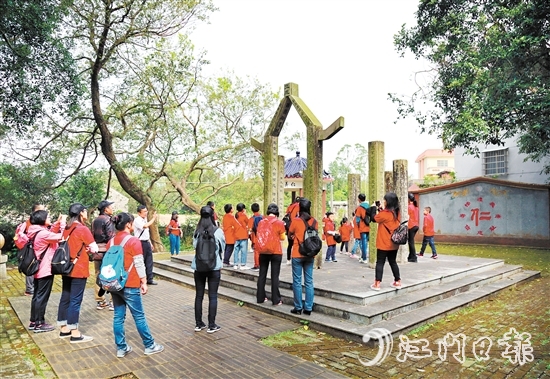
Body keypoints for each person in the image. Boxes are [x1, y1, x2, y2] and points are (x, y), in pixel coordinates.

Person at [108, 212, 164, 358]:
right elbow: (139, 263)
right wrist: (144, 281)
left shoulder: (112, 241)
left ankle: (121, 348)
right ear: (128, 224)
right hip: (130, 283)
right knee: (139, 316)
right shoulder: (133, 241)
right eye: (131, 222)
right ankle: (149, 345)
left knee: (118, 317)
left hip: (115, 283)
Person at [57, 203, 98, 343]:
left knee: (65, 297)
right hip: (79, 268)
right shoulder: (83, 229)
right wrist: (88, 248)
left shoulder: (67, 228)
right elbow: (94, 248)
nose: (87, 213)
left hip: (66, 268)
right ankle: (75, 333)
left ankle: (64, 328)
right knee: (75, 300)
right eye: (86, 211)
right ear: (81, 213)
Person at [28, 210, 66, 332]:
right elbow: (62, 237)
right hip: (45, 269)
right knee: (42, 297)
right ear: (42, 219)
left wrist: (57, 223)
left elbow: (50, 232)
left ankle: (33, 321)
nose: (49, 218)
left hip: (38, 269)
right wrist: (63, 223)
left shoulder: (36, 230)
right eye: (48, 217)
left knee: (37, 295)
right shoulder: (42, 234)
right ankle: (39, 324)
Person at [192, 206, 225, 333]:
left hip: (199, 267)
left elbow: (195, 246)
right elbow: (222, 246)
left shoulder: (197, 231)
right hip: (214, 267)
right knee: (213, 296)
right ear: (212, 215)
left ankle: (198, 324)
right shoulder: (217, 231)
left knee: (199, 295)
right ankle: (212, 325)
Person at [288, 198, 317, 315]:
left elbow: (290, 233)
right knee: (309, 281)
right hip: (310, 254)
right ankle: (308, 308)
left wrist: (294, 236)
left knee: (297, 281)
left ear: (300, 208)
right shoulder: (315, 222)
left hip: (297, 253)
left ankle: (298, 307)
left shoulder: (296, 221)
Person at [371, 193, 402, 291]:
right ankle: (397, 281)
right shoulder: (396, 213)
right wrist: (380, 209)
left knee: (380, 262)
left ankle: (377, 284)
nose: (383, 201)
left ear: (388, 202)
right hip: (394, 243)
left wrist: (373, 208)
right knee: (393, 262)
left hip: (383, 243)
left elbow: (374, 218)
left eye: (384, 200)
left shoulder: (384, 214)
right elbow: (385, 217)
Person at [256, 203, 286, 305]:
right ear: (276, 212)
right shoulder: (279, 223)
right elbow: (282, 237)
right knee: (274, 276)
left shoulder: (261, 222)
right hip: (276, 252)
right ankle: (276, 299)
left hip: (263, 251)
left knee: (262, 275)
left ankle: (260, 298)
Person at [14, 203, 45, 296]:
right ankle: (29, 289)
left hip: (37, 250)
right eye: (41, 210)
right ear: (35, 211)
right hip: (30, 250)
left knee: (36, 267)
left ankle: (34, 288)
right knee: (30, 266)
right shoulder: (27, 223)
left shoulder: (38, 222)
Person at [91, 200, 115, 310]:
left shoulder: (95, 220)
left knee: (98, 274)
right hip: (107, 250)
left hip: (97, 251)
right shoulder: (108, 220)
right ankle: (112, 301)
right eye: (111, 207)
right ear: (106, 209)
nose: (112, 209)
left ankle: (100, 301)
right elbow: (110, 237)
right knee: (111, 273)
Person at [133, 205, 158, 285]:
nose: (146, 213)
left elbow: (146, 232)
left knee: (149, 261)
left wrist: (150, 242)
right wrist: (153, 218)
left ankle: (149, 279)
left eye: (146, 211)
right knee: (141, 261)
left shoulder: (145, 219)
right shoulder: (137, 220)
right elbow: (145, 226)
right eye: (144, 211)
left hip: (146, 242)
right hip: (140, 243)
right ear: (139, 213)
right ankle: (139, 279)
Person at [354, 194, 370, 264]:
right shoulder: (369, 206)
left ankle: (364, 258)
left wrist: (357, 224)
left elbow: (357, 218)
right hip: (369, 226)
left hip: (362, 227)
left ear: (359, 199)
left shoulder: (360, 208)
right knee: (366, 242)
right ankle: (364, 256)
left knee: (363, 243)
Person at [284, 196, 300, 265]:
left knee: (289, 244)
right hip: (295, 226)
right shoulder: (298, 206)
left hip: (288, 227)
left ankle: (288, 259)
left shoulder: (290, 206)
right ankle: (295, 258)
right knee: (296, 244)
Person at [233, 203, 250, 270]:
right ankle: (243, 264)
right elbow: (248, 222)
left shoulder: (235, 216)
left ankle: (235, 264)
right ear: (243, 209)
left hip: (236, 235)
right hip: (243, 235)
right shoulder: (243, 215)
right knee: (243, 250)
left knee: (236, 250)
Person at [248, 203, 263, 271]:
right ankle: (262, 264)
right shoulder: (263, 217)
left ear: (252, 210)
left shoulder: (252, 219)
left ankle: (257, 265)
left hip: (255, 237)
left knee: (256, 252)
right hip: (262, 237)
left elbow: (250, 229)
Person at [407, 193, 420, 262]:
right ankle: (411, 256)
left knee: (411, 242)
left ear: (409, 199)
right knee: (411, 241)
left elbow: (407, 216)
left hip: (411, 225)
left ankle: (414, 257)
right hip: (416, 225)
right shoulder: (416, 207)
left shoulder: (409, 207)